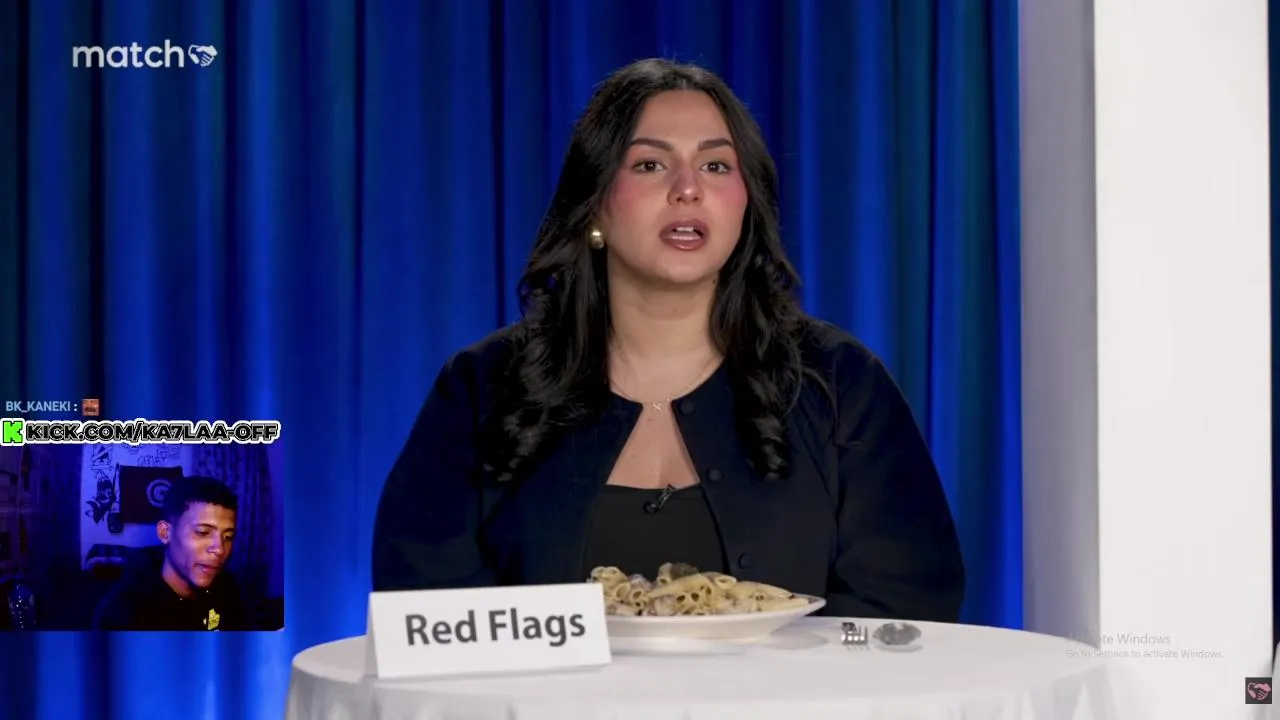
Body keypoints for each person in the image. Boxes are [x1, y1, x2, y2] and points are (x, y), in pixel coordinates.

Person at [372, 58, 966, 622]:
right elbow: (425, 604)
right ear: (594, 206)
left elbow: (903, 603)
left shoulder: (838, 382)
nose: (688, 189)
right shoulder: (484, 387)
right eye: (650, 165)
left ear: (746, 205)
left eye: (716, 166)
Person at [92, 476, 245, 631]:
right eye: (203, 532)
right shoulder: (122, 615)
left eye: (228, 537)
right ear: (165, 533)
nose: (220, 549)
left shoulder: (227, 589)